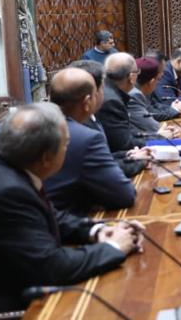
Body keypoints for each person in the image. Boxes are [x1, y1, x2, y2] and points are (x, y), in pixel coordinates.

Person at [0, 103, 142, 311]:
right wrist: (114, 247)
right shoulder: (9, 193)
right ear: (46, 158)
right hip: (16, 310)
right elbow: (53, 267)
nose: (67, 150)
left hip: (20, 277)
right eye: (66, 145)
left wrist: (97, 231)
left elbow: (50, 215)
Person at [45, 68, 136, 214]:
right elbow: (125, 195)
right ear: (87, 101)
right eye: (97, 93)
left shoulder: (39, 126)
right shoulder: (86, 137)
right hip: (69, 220)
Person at [97, 53, 151, 155]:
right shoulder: (112, 101)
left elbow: (129, 132)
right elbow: (124, 144)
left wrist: (157, 136)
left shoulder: (109, 91)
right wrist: (158, 141)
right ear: (131, 77)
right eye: (137, 72)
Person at [129, 57, 181, 135]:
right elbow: (150, 118)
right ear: (151, 81)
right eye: (158, 79)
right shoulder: (134, 95)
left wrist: (173, 108)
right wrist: (163, 129)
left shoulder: (143, 89)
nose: (158, 83)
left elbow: (155, 105)